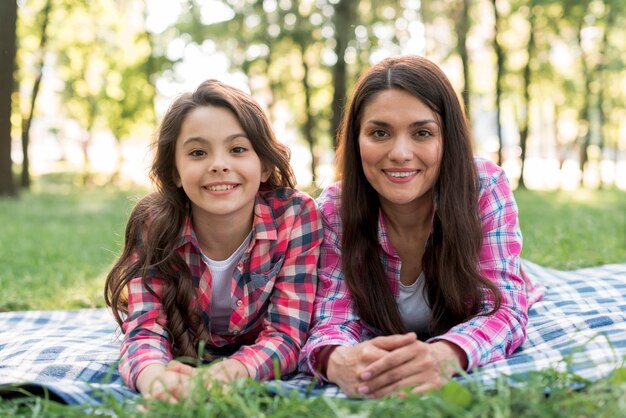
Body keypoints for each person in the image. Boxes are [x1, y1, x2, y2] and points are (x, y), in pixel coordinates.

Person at [298, 55, 544, 398]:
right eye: (379, 132)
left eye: (422, 132)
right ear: (356, 140)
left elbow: (502, 308)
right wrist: (338, 361)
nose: (400, 153)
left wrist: (443, 355)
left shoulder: (484, 186)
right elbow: (331, 319)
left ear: (449, 139)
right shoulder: (334, 209)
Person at [105, 79, 322, 401]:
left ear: (263, 165)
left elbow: (287, 335)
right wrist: (156, 381)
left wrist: (224, 375)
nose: (219, 164)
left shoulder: (295, 216)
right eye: (197, 152)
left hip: (249, 359)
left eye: (237, 149)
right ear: (175, 172)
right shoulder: (154, 225)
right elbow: (145, 329)